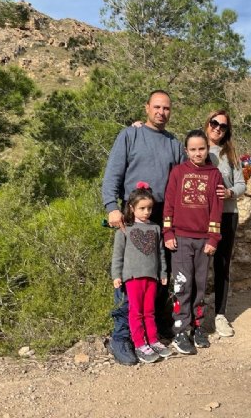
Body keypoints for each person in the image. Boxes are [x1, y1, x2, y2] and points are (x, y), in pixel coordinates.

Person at [102, 90, 186, 366]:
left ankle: (151, 335)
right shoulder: (130, 135)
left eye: (167, 108)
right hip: (133, 214)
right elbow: (113, 173)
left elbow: (185, 174)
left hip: (162, 216)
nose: (162, 112)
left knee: (157, 278)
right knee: (130, 280)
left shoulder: (174, 143)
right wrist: (111, 206)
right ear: (147, 108)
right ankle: (121, 337)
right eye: (157, 107)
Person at [163, 130, 223, 354]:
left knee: (199, 285)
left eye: (202, 149)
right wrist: (168, 233)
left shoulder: (214, 174)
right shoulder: (178, 173)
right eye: (193, 149)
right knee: (182, 285)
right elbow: (169, 204)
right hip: (180, 239)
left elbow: (217, 209)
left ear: (208, 149)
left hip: (204, 241)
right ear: (186, 151)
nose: (198, 153)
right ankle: (180, 329)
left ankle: (197, 327)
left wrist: (213, 238)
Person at [111, 184, 172, 363]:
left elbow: (160, 254)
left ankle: (153, 340)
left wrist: (163, 272)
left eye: (149, 208)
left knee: (150, 310)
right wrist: (116, 275)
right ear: (131, 208)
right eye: (142, 208)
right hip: (133, 278)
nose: (146, 212)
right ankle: (139, 343)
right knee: (136, 311)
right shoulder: (124, 230)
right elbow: (117, 256)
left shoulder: (155, 228)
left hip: (151, 277)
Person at [204, 110, 246, 338]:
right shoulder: (194, 147)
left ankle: (220, 315)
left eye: (223, 126)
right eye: (214, 123)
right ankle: (192, 316)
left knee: (222, 266)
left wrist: (229, 192)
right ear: (207, 123)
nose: (218, 128)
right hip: (200, 217)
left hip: (227, 214)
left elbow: (242, 184)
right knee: (197, 266)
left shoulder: (230, 154)